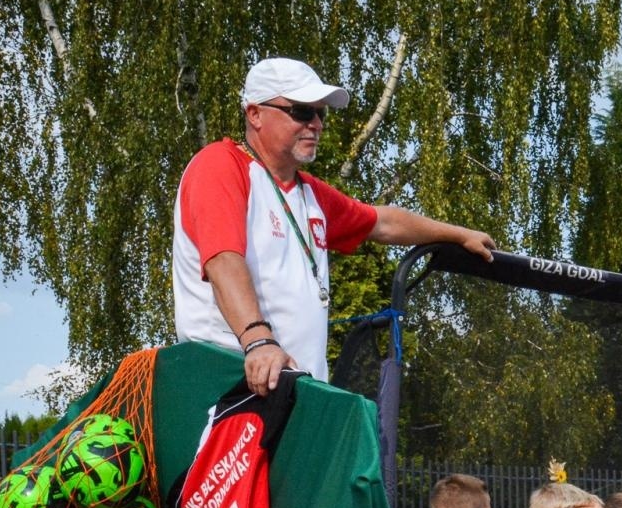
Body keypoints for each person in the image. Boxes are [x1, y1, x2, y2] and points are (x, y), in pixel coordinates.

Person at [173, 57, 497, 397]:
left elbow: (383, 222)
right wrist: (258, 340)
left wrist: (459, 235)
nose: (316, 124)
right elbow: (223, 260)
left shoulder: (308, 192)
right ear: (255, 114)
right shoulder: (220, 165)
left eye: (320, 114)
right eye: (301, 111)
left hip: (292, 390)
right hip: (228, 385)